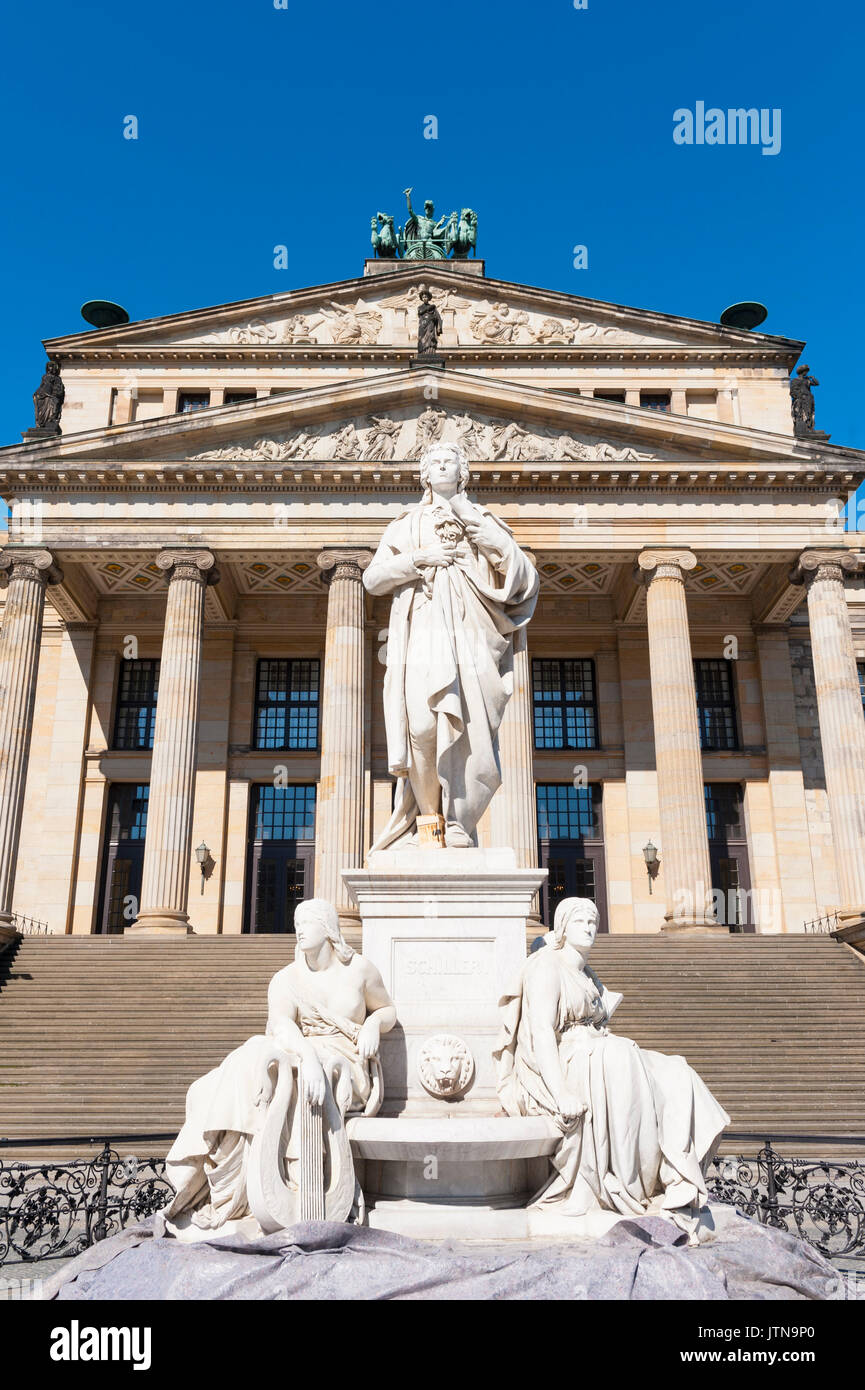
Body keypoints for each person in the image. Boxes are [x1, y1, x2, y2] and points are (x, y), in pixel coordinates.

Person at [495, 896, 730, 1241]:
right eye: (580, 922)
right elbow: (542, 1033)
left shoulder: (587, 974)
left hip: (598, 1050)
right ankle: (628, 1183)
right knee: (620, 1055)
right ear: (562, 926)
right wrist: (561, 1093)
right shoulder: (546, 965)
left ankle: (676, 1177)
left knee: (676, 1070)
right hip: (564, 1061)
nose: (589, 928)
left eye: (593, 921)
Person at [163, 899, 395, 1233]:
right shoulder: (286, 978)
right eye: (296, 921)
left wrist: (374, 1025)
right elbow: (282, 1026)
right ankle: (234, 1183)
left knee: (292, 1075)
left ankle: (304, 1191)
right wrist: (309, 1058)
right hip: (305, 1055)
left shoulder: (360, 970)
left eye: (307, 922)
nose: (299, 929)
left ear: (328, 927)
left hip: (346, 1064)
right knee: (256, 1054)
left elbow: (387, 1009)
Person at [363, 442, 538, 849]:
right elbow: (373, 581)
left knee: (470, 733)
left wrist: (482, 532)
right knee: (421, 727)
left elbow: (522, 578)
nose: (442, 466)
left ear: (464, 473)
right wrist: (420, 559)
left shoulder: (483, 518)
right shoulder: (406, 524)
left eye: (450, 462)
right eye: (434, 462)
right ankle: (428, 824)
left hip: (472, 634)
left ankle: (459, 822)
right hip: (423, 631)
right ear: (424, 474)